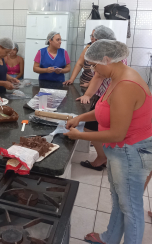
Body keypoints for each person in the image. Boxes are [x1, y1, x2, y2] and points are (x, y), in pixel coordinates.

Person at [64, 40, 152, 244]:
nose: (93, 69)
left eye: (95, 65)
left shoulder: (126, 84)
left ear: (106, 59)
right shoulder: (117, 76)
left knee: (131, 208)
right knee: (120, 200)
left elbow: (117, 134)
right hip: (122, 151)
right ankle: (109, 238)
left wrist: (80, 136)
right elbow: (105, 109)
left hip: (132, 152)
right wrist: (80, 119)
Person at [73, 26, 126, 171]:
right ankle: (105, 156)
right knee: (97, 127)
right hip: (108, 96)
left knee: (91, 129)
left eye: (93, 37)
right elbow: (98, 75)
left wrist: (88, 95)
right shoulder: (116, 52)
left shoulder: (105, 54)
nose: (91, 39)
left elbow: (98, 76)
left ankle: (102, 157)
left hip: (106, 97)